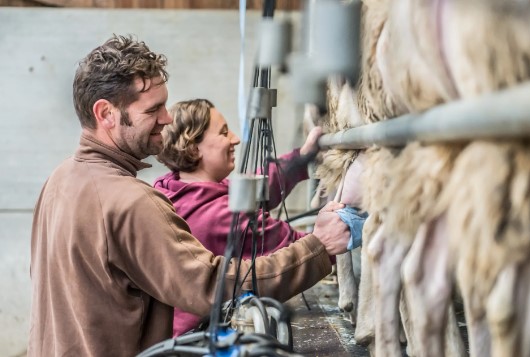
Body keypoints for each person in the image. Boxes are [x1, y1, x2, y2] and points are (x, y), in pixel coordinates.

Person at [29, 34, 350, 357]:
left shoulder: (59, 181)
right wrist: (318, 247)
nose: (167, 119)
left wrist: (297, 162)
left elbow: (230, 196)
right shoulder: (131, 201)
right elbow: (212, 285)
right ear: (106, 113)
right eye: (153, 109)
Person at [154, 99, 323, 336]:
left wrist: (301, 159)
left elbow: (252, 188)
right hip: (200, 341)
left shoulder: (172, 188)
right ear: (194, 148)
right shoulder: (219, 216)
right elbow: (302, 246)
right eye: (223, 132)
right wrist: (339, 227)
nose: (235, 138)